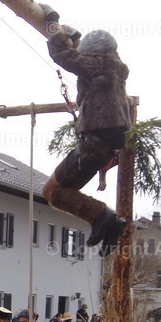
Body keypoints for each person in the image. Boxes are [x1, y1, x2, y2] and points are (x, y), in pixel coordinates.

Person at [40, 21, 130, 257]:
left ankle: (103, 217)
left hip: (93, 145)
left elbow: (63, 56)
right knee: (60, 191)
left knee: (51, 191)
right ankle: (106, 222)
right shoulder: (115, 69)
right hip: (104, 147)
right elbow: (80, 55)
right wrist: (76, 37)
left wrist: (53, 28)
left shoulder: (97, 65)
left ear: (94, 53)